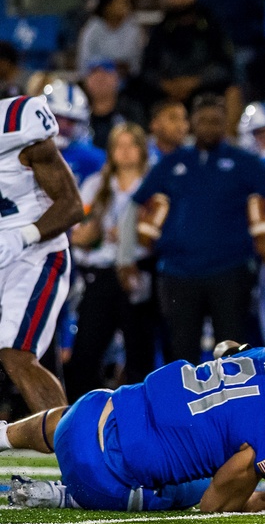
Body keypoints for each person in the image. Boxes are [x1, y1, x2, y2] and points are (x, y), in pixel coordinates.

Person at [1, 342, 265, 512]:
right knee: (204, 482)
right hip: (102, 479)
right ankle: (65, 497)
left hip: (83, 418)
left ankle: (4, 435)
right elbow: (214, 506)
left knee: (83, 412)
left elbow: (229, 349)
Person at [117, 94, 265, 363]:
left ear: (224, 124)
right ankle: (184, 405)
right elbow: (135, 204)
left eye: (215, 121)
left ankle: (232, 404)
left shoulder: (244, 162)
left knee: (233, 353)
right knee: (180, 354)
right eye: (203, 121)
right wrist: (125, 257)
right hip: (178, 274)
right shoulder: (172, 162)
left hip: (230, 272)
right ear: (192, 124)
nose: (209, 127)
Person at [0, 93, 84, 413]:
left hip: (33, 253)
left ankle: (67, 449)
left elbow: (72, 205)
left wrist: (21, 236)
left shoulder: (17, 122)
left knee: (16, 355)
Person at [66, 124, 157, 401]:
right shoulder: (96, 184)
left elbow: (160, 231)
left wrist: (133, 235)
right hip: (102, 273)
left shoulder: (154, 183)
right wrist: (94, 232)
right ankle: (84, 414)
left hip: (138, 271)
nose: (125, 151)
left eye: (132, 144)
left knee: (139, 352)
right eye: (119, 145)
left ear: (142, 150)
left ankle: (141, 420)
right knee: (86, 351)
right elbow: (78, 233)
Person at [45, 79, 105, 185]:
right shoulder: (28, 154)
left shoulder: (94, 158)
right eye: (57, 118)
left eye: (70, 121)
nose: (62, 126)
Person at [76, 0, 145, 79]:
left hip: (126, 79)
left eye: (127, 3)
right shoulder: (93, 28)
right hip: (96, 78)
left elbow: (134, 62)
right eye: (120, 3)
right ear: (107, 7)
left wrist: (119, 67)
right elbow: (84, 60)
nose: (125, 7)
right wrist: (107, 65)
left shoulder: (133, 29)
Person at [82, 59, 146, 149]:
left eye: (105, 75)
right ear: (86, 82)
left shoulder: (130, 112)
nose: (100, 79)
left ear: (117, 80)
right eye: (95, 75)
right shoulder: (78, 114)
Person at [147, 100, 190, 166]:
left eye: (184, 118)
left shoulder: (194, 154)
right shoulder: (141, 154)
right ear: (155, 124)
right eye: (173, 118)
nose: (181, 124)